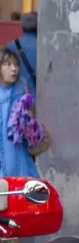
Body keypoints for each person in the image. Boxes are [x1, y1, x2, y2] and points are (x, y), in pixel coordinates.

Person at [0, 49, 38, 178]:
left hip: (19, 148)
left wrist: (29, 115)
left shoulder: (22, 85)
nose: (14, 69)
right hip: (2, 150)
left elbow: (32, 112)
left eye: (16, 65)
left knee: (23, 181)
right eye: (8, 64)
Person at [3, 13, 36, 95]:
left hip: (17, 94)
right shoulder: (45, 47)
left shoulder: (11, 45)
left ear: (22, 27)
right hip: (39, 94)